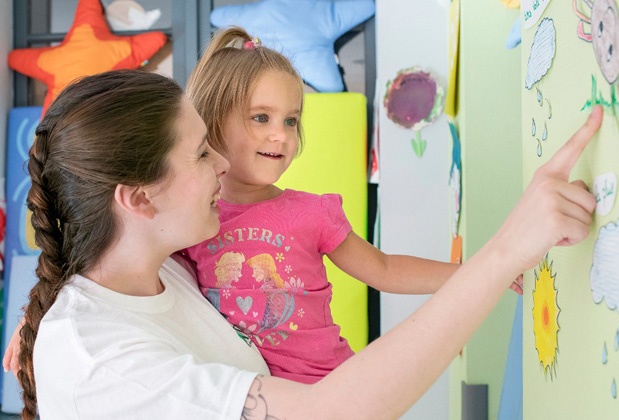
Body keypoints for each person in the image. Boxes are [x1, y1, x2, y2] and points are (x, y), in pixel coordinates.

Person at [2, 67, 602, 420]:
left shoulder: (160, 266)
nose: (222, 165)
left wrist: (42, 312)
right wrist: (503, 254)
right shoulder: (102, 365)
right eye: (201, 155)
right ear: (137, 198)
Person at [182, 26, 522, 383]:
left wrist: (482, 272)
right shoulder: (189, 223)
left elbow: (385, 269)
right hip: (256, 406)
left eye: (291, 120)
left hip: (333, 391)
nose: (281, 134)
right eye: (261, 117)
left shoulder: (312, 214)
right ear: (212, 118)